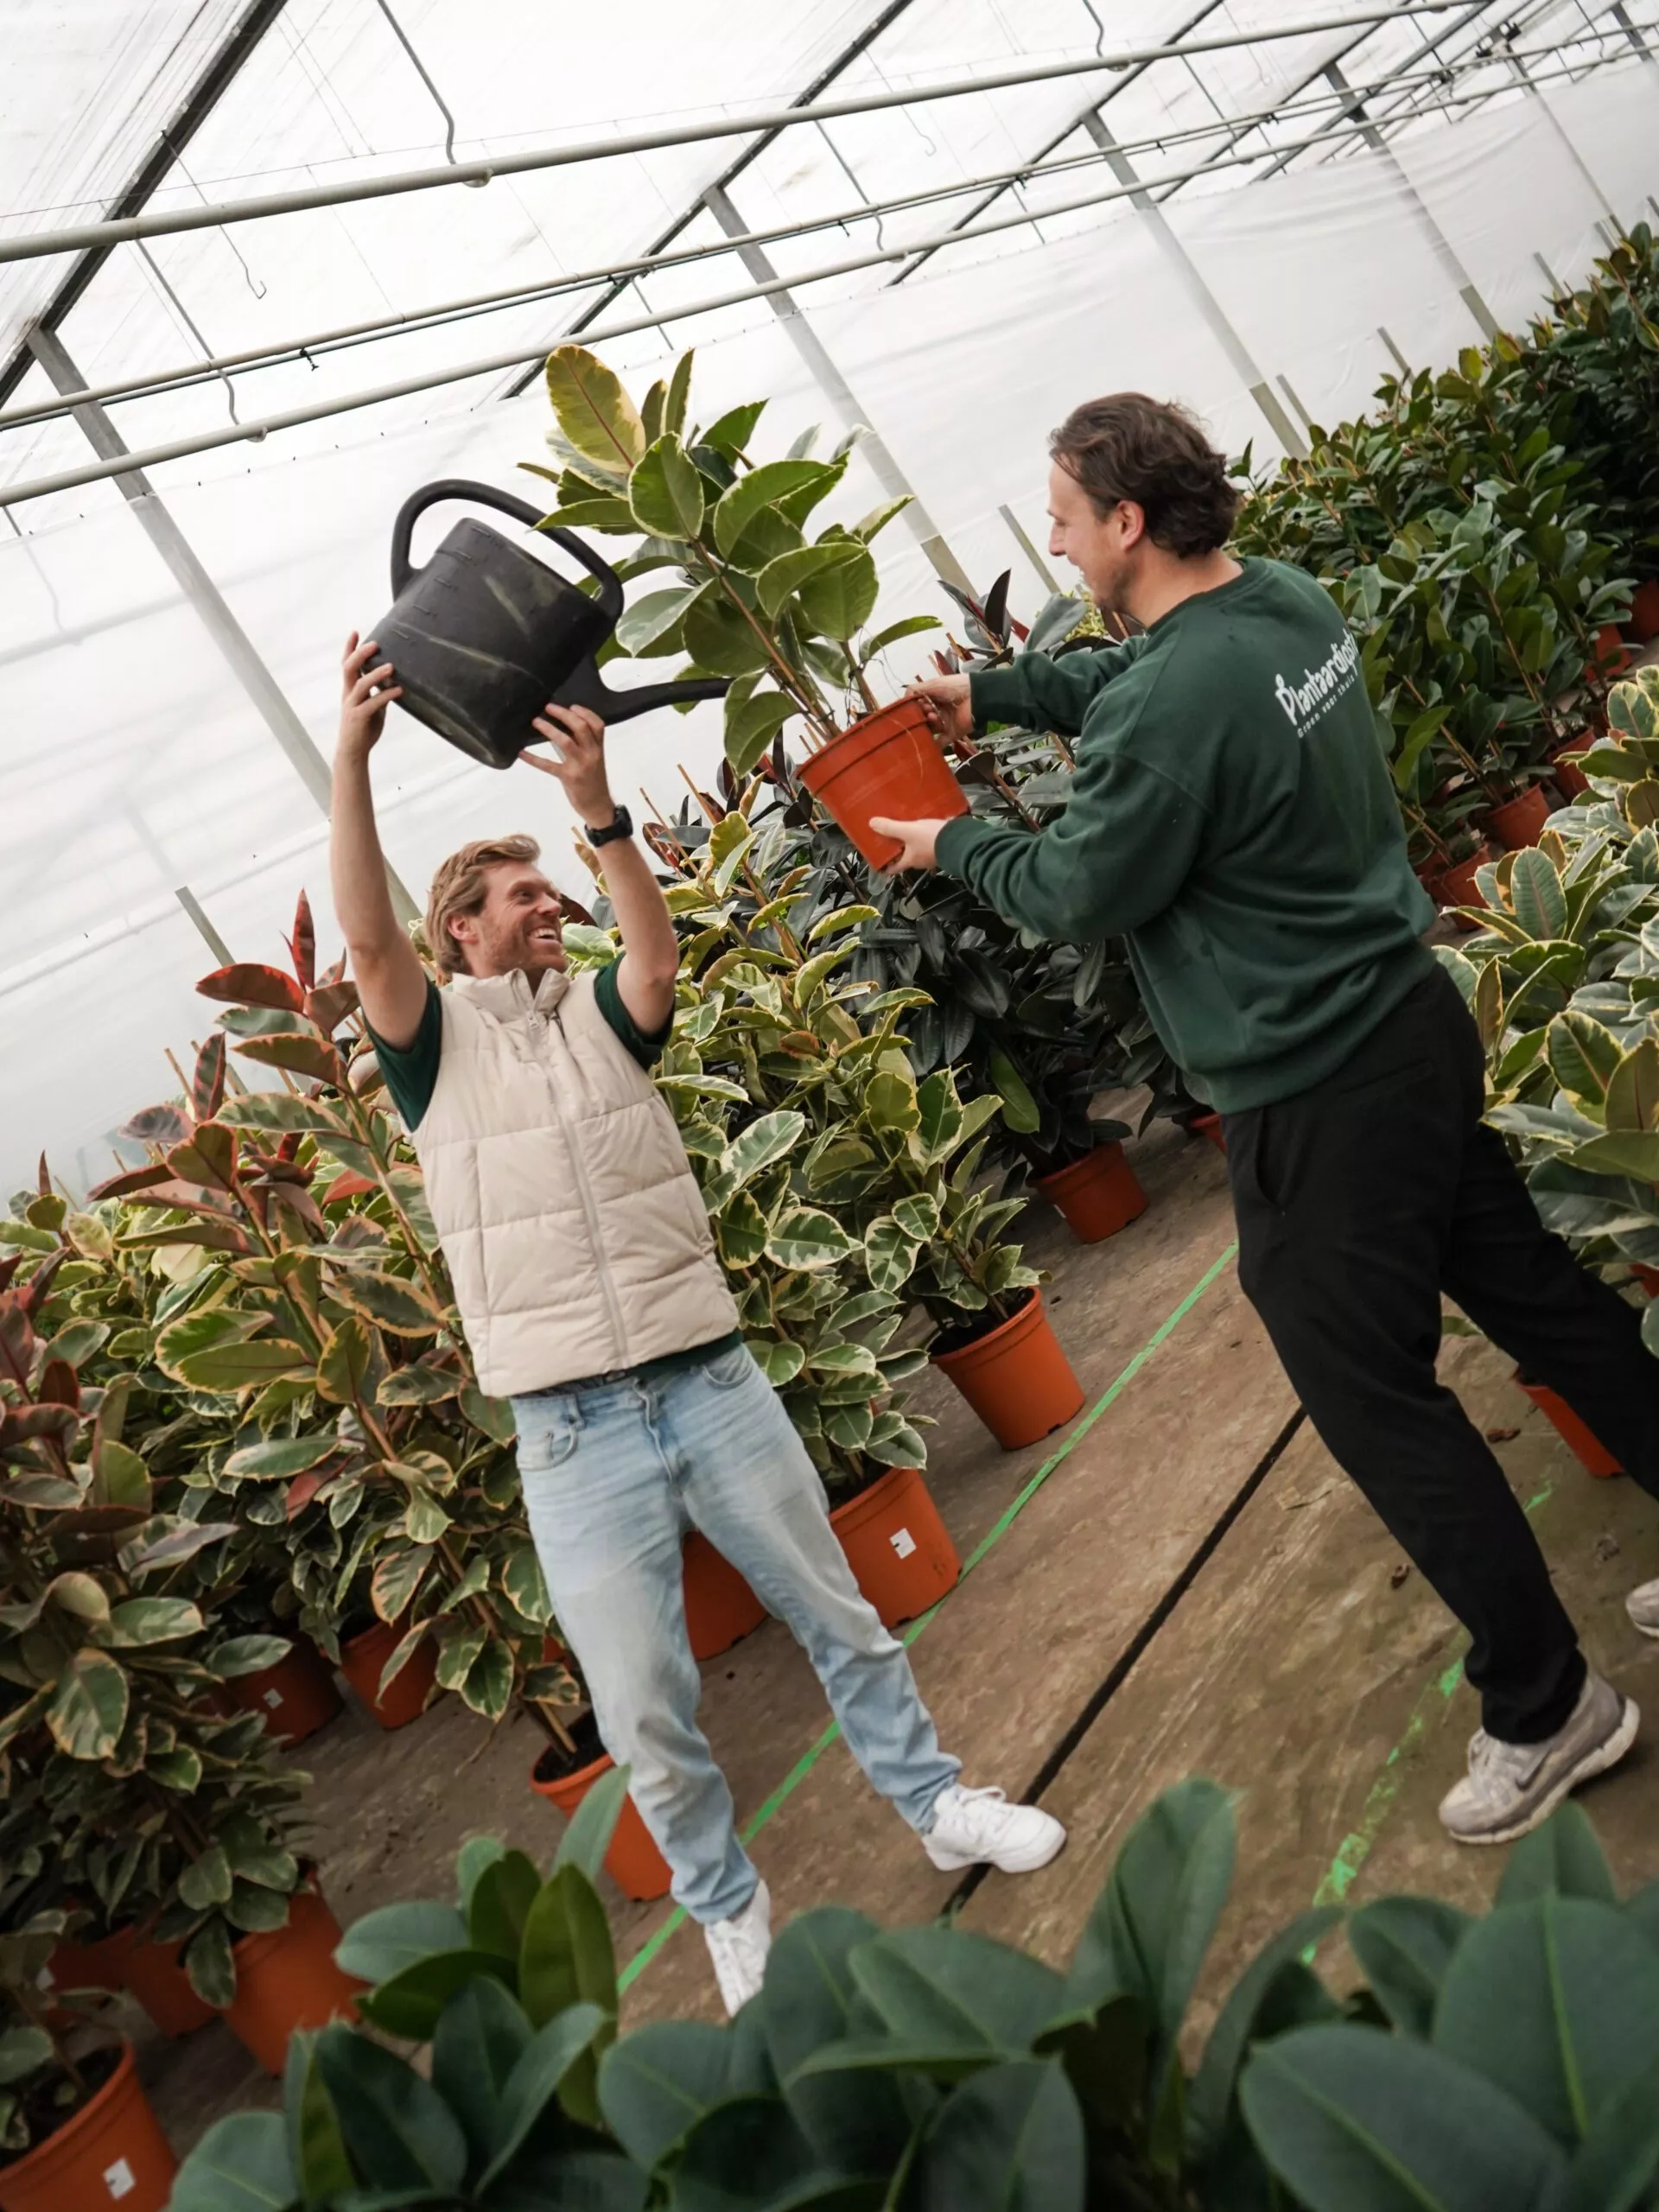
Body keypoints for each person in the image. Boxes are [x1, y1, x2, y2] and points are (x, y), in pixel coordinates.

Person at [870, 391, 1659, 1847]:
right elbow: (1154, 691)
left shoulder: (1176, 704)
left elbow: (1078, 888)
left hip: (1313, 1084)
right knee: (1538, 1294)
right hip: (1408, 1021)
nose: (1050, 543)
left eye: (1059, 517)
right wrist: (1001, 699)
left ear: (1123, 523)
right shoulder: (1276, 601)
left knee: (1376, 1399)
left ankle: (1551, 1709)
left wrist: (954, 840)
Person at [328, 632, 1063, 2011]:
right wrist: (354, 757)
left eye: (552, 885)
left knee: (841, 1617)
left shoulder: (609, 1013)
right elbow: (364, 936)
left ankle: (940, 1803)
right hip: (571, 1429)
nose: (548, 903)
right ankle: (732, 1913)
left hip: (709, 1378)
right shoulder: (434, 1052)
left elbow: (653, 951)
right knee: (646, 1713)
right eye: (517, 894)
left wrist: (601, 816)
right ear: (461, 934)